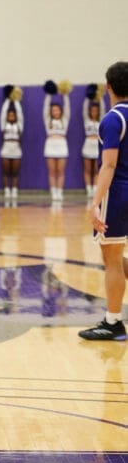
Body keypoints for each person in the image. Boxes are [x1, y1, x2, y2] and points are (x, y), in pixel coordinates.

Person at [78, 60, 128, 342]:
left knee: (111, 258)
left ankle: (113, 322)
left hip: (118, 192)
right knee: (117, 256)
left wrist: (95, 202)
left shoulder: (112, 119)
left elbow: (108, 166)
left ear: (108, 86)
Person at [42, 81, 71, 204]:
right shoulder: (47, 120)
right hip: (50, 145)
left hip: (62, 145)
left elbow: (68, 108)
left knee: (60, 170)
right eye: (53, 110)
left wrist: (64, 94)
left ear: (60, 111)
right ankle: (53, 191)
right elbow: (45, 108)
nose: (55, 112)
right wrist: (49, 94)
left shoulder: (64, 120)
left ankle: (60, 191)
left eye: (57, 110)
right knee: (52, 170)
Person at [0, 86, 24, 206]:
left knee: (15, 172)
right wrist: (8, 99)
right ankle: (6, 190)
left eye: (13, 115)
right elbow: (3, 113)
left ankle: (14, 190)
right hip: (6, 148)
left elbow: (20, 113)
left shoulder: (19, 126)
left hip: (16, 149)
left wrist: (16, 100)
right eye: (10, 115)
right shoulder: (3, 125)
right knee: (6, 171)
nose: (11, 116)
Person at [82, 84, 106, 200]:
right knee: (87, 169)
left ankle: (96, 188)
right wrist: (88, 95)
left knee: (97, 169)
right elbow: (84, 108)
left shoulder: (102, 119)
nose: (94, 112)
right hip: (87, 144)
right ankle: (89, 189)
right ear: (90, 111)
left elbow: (103, 108)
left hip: (97, 145)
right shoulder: (86, 120)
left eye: (96, 110)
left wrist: (99, 96)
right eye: (92, 110)